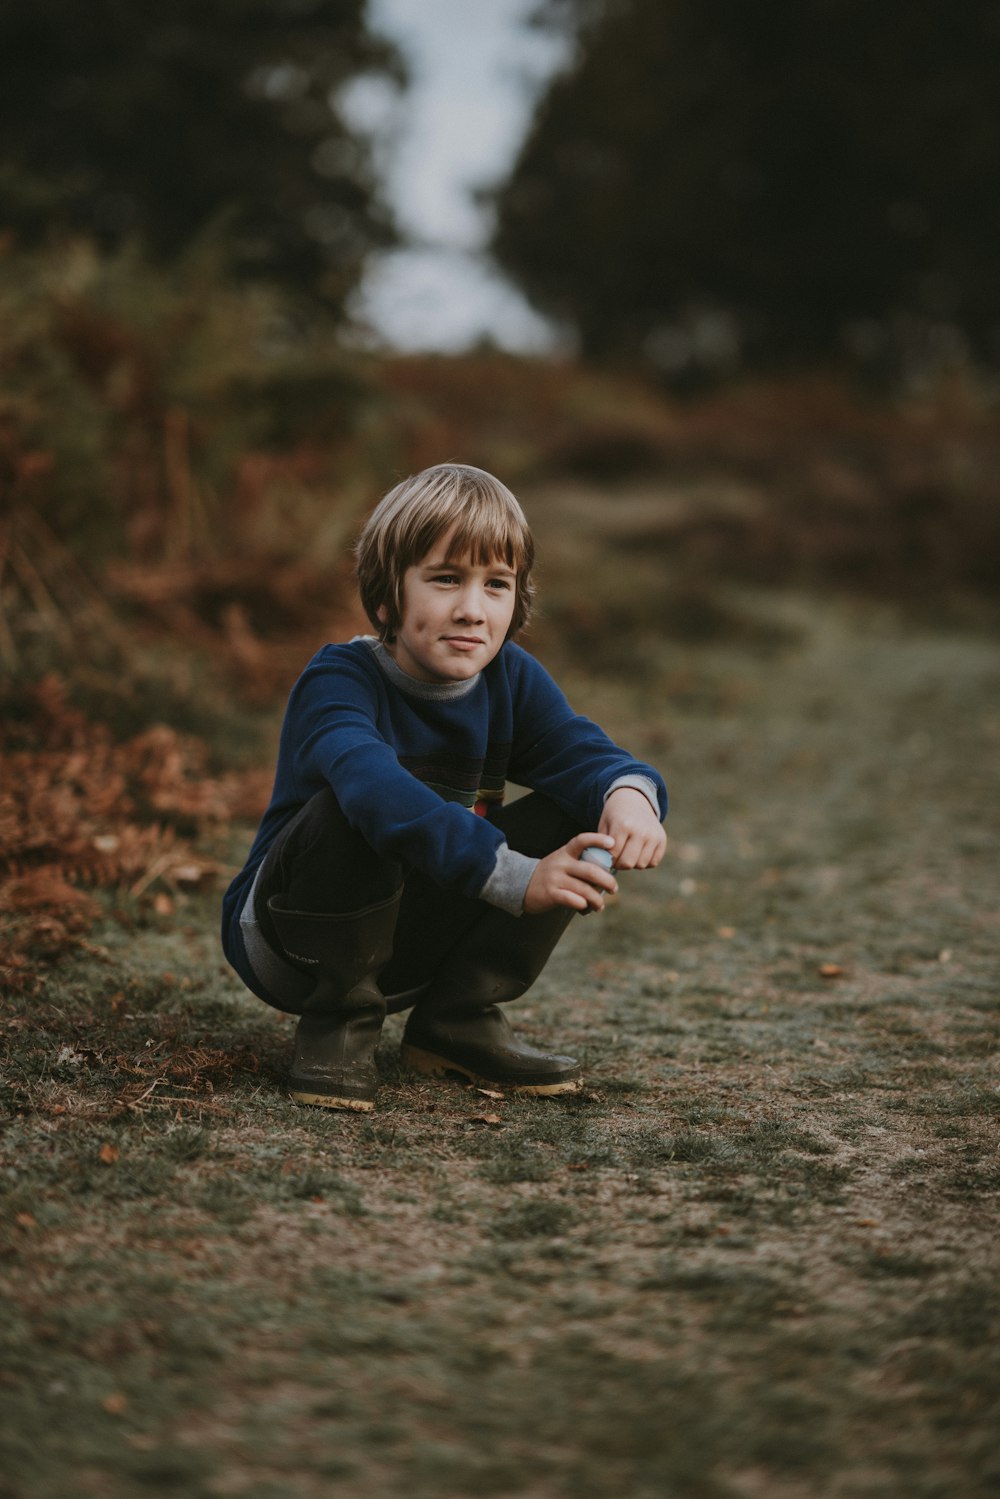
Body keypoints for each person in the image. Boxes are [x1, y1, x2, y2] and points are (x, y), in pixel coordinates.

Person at [221, 463, 667, 1111]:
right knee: (362, 802)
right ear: (385, 598)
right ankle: (339, 1024)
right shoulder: (340, 680)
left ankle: (456, 1019)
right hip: (292, 940)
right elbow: (375, 791)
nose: (472, 608)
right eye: (446, 579)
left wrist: (629, 795)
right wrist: (515, 876)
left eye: (496, 585)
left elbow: (583, 753)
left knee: (584, 802)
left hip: (410, 939)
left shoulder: (511, 679)